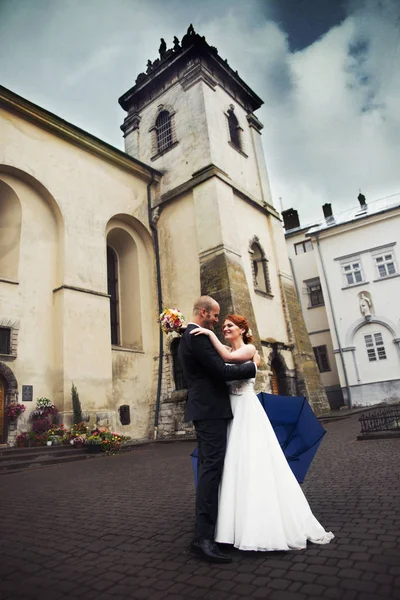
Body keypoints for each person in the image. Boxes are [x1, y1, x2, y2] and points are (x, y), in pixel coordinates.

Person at [191, 314, 334, 552]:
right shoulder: (231, 350)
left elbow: (227, 358)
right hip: (230, 410)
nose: (225, 328)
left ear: (242, 330)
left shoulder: (249, 350)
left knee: (253, 462)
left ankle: (259, 523)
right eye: (223, 325)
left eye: (230, 326)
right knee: (232, 465)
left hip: (246, 409)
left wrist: (208, 333)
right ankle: (230, 526)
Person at [178, 296, 260, 563]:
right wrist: (252, 366)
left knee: (210, 469)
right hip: (210, 412)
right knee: (211, 472)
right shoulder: (199, 336)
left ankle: (211, 532)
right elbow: (222, 372)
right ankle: (202, 539)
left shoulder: (187, 335)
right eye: (215, 316)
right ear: (204, 312)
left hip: (207, 410)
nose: (216, 321)